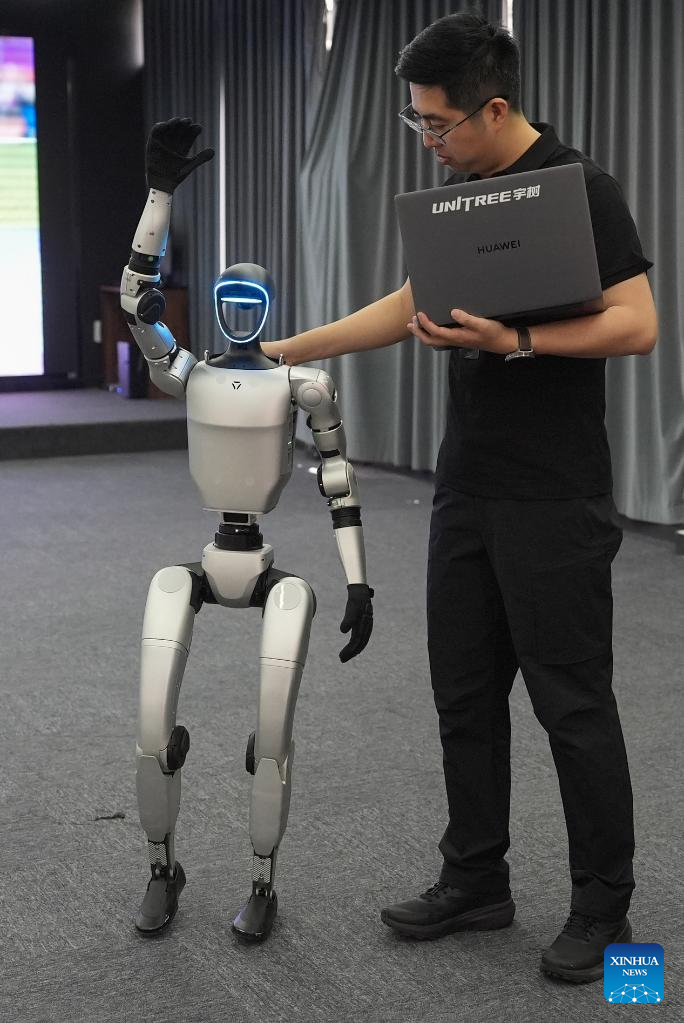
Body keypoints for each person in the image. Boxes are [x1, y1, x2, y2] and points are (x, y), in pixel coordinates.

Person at [261, 12, 657, 983]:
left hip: (554, 495)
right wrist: (290, 350)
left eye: (436, 124)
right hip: (467, 488)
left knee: (571, 703)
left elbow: (636, 322)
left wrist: (515, 342)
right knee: (465, 695)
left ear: (495, 109)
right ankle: (476, 877)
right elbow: (411, 305)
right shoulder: (461, 193)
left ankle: (604, 907)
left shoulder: (579, 188)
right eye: (417, 124)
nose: (427, 140)